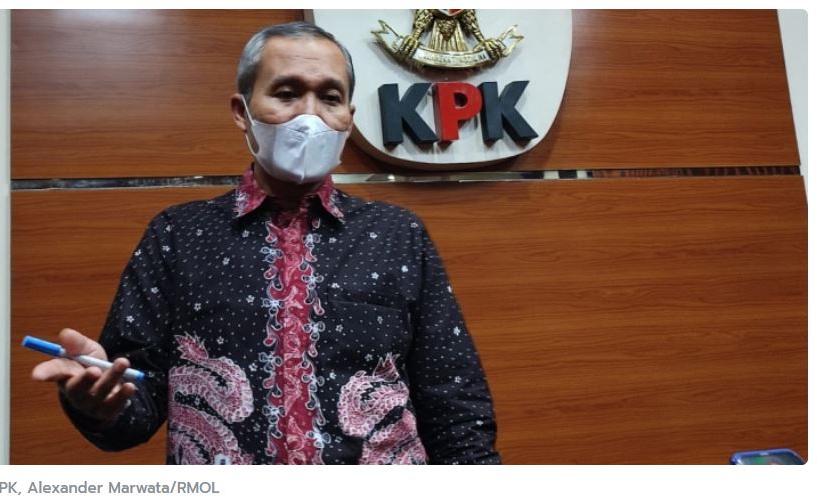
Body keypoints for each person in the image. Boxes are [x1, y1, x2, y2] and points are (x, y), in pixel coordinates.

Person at [32, 21, 500, 465]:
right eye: (287, 93)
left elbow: (455, 404)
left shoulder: (397, 233)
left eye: (330, 97)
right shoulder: (178, 234)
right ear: (242, 112)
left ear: (348, 118)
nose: (310, 116)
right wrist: (102, 405)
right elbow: (135, 397)